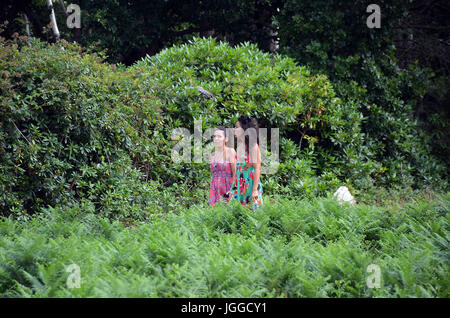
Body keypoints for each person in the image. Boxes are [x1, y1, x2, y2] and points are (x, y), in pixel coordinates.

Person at [229, 115, 263, 210]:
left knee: (252, 211)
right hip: (240, 183)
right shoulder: (239, 145)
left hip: (250, 183)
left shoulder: (253, 145)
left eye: (236, 127)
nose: (234, 129)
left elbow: (257, 168)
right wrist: (233, 185)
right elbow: (238, 168)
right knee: (237, 211)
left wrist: (255, 190)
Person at [208, 127, 237, 206]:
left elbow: (235, 172)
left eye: (219, 136)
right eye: (214, 136)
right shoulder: (212, 155)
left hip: (227, 187)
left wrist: (232, 190)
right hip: (215, 188)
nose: (216, 139)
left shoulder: (230, 151)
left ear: (226, 139)